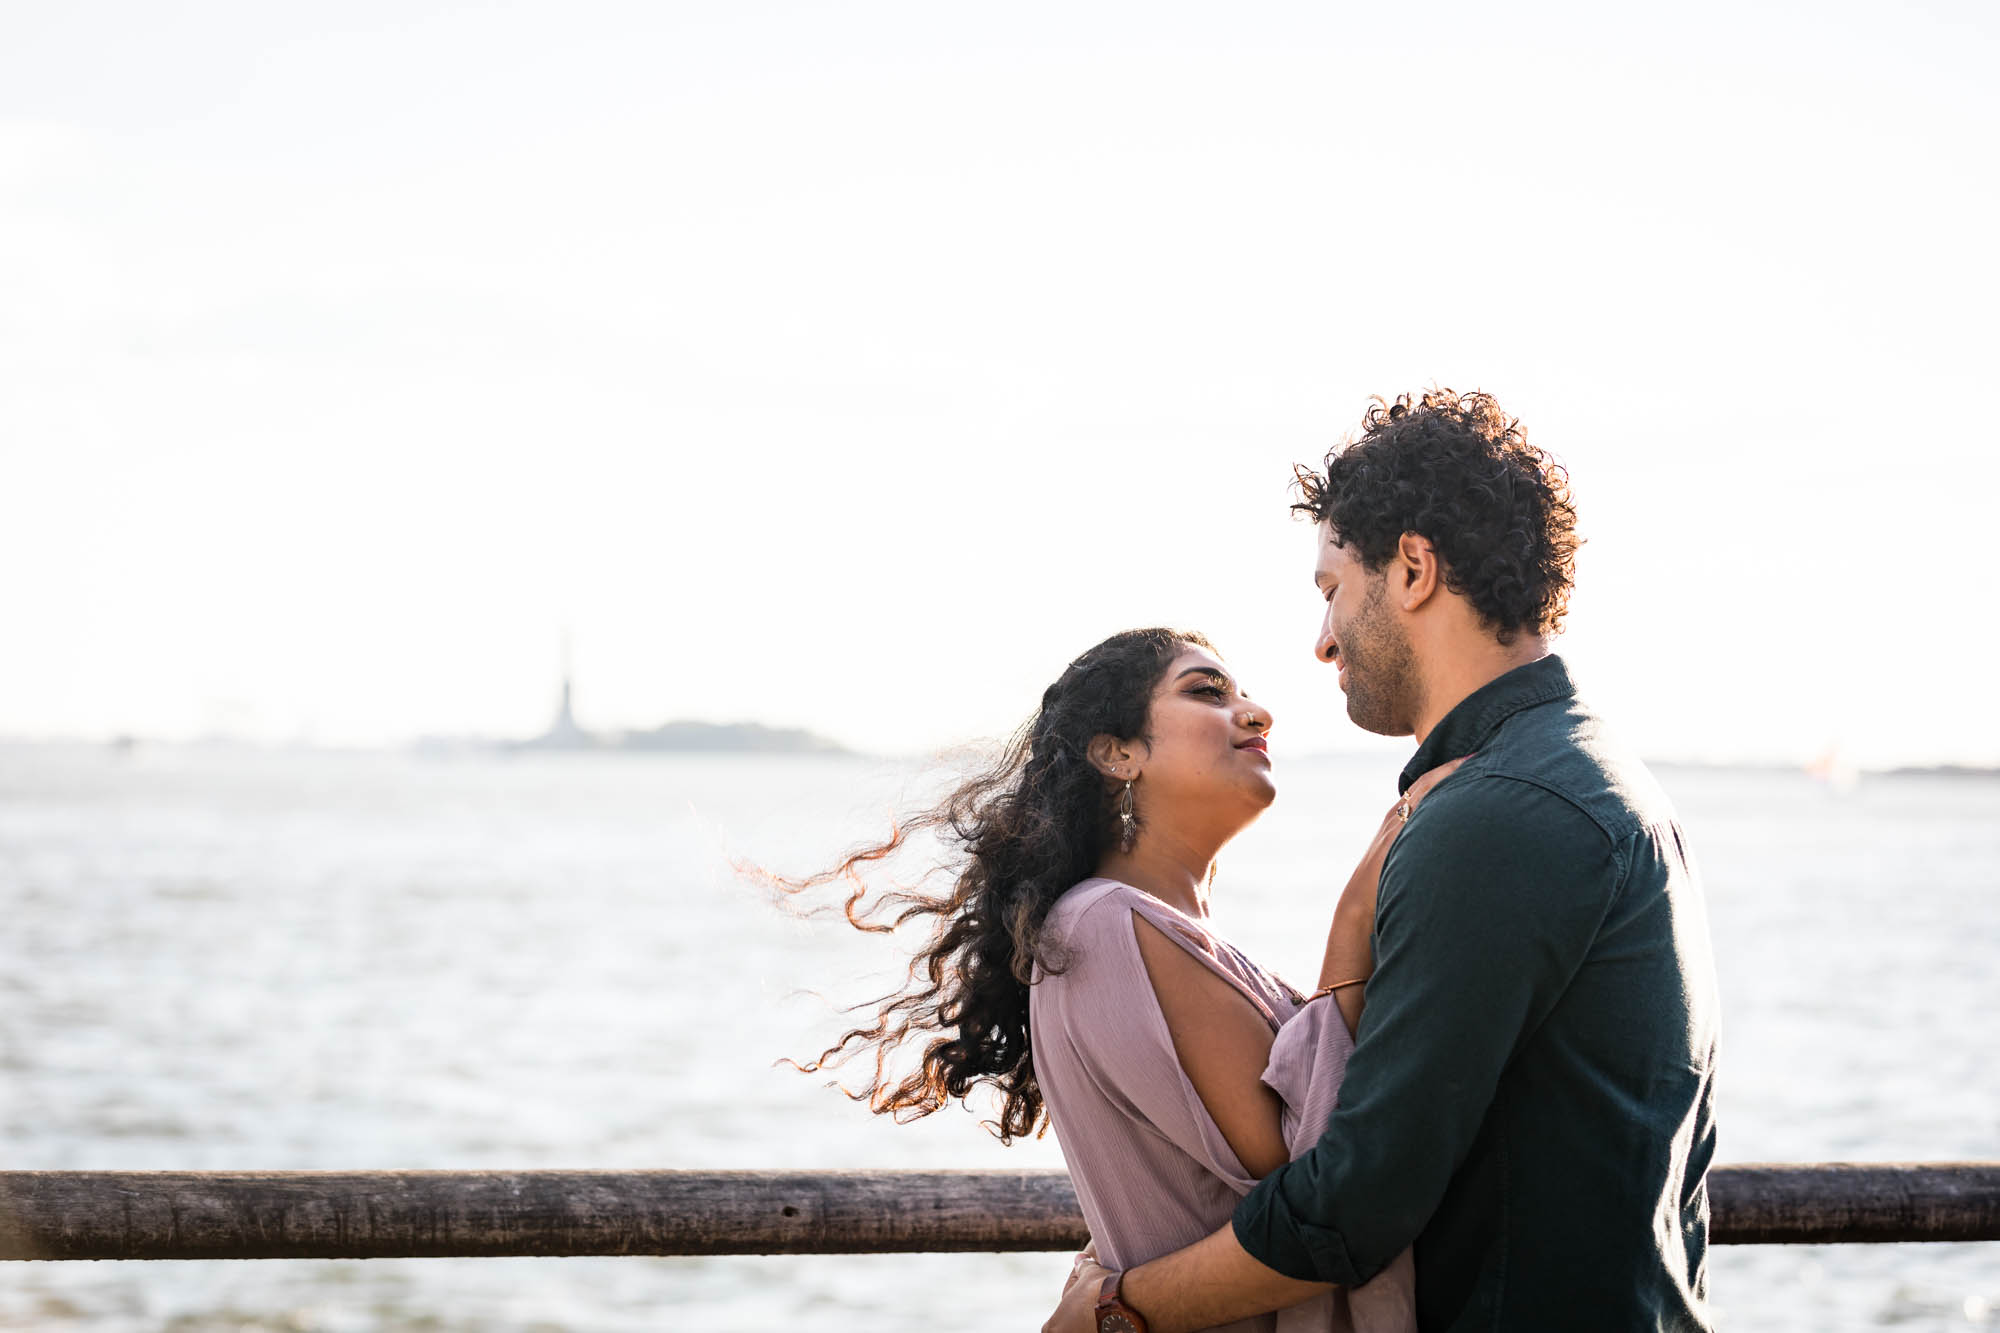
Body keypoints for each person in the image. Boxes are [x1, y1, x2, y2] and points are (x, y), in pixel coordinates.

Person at [1045, 390, 1721, 1333]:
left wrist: (1120, 1307)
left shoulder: (1497, 815)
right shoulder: (1588, 777)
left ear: (1410, 569)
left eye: (1331, 588)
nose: (1322, 639)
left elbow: (1353, 1200)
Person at [780, 626, 1459, 1332]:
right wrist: (1353, 925)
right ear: (1117, 752)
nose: (1257, 713)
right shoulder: (1105, 927)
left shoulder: (1132, 929)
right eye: (1207, 692)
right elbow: (1315, 1186)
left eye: (1246, 695)